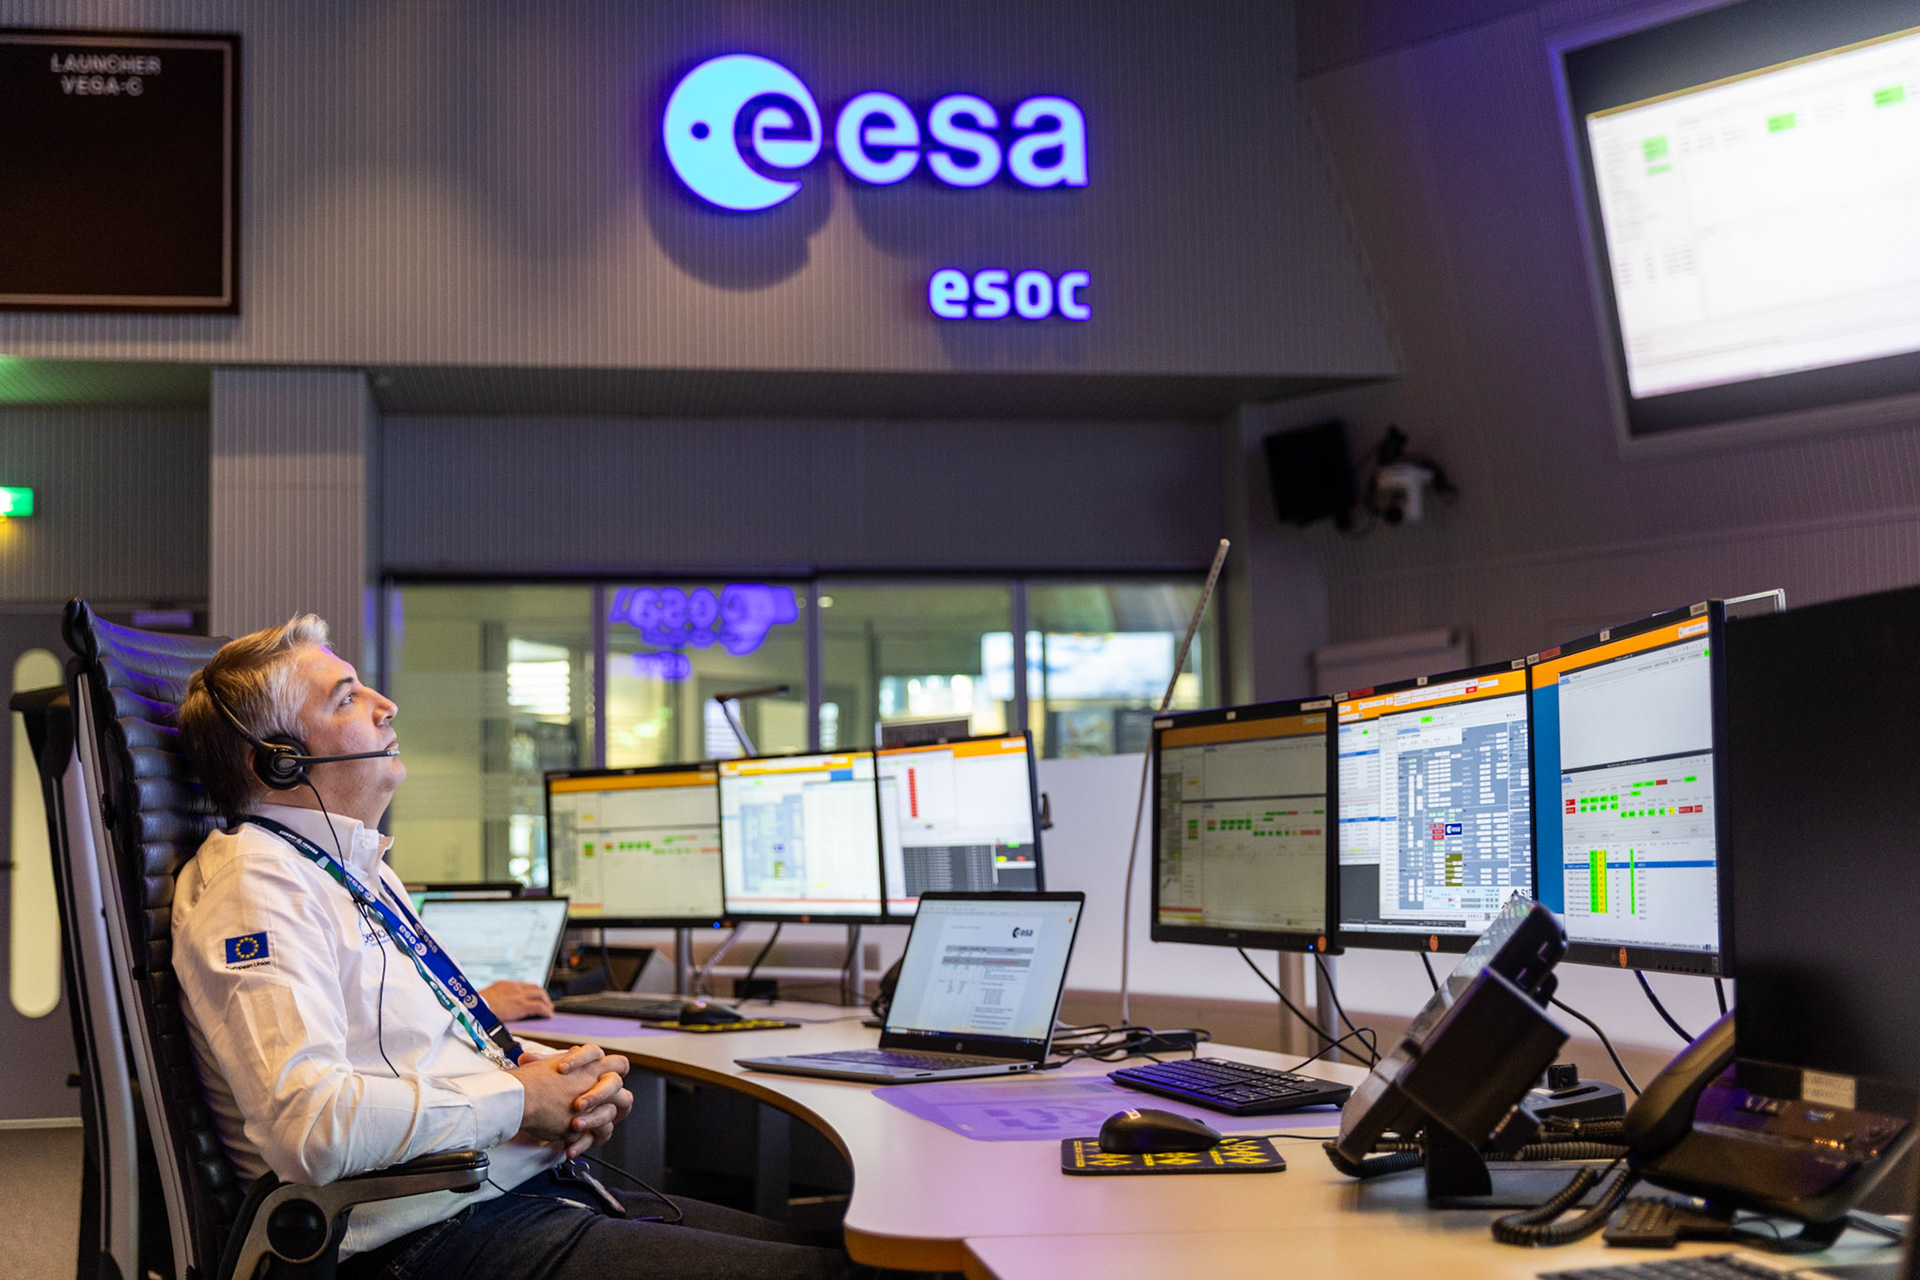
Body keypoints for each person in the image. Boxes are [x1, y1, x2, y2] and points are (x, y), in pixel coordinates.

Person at [174, 615, 871, 1279]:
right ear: (280, 760)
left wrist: (564, 1080)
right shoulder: (255, 883)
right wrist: (517, 1101)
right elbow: (311, 1126)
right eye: (348, 698)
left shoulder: (359, 871)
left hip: (505, 1196)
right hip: (420, 1242)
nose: (386, 706)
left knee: (839, 1251)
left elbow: (428, 1048)